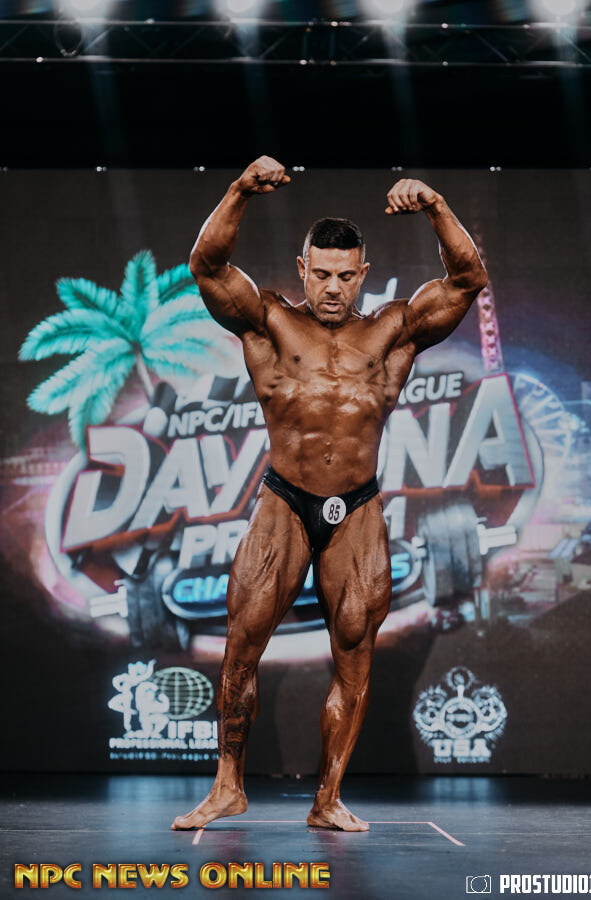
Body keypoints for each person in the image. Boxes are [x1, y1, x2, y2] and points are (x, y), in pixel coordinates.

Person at [171, 156, 487, 832]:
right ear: (303, 267)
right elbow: (207, 266)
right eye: (321, 274)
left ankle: (328, 798)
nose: (333, 288)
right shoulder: (269, 323)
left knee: (354, 651)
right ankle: (228, 786)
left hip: (359, 507)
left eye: (346, 276)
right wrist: (238, 190)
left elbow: (468, 279)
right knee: (242, 644)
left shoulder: (392, 332)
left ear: (363, 274)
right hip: (286, 501)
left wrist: (435, 205)